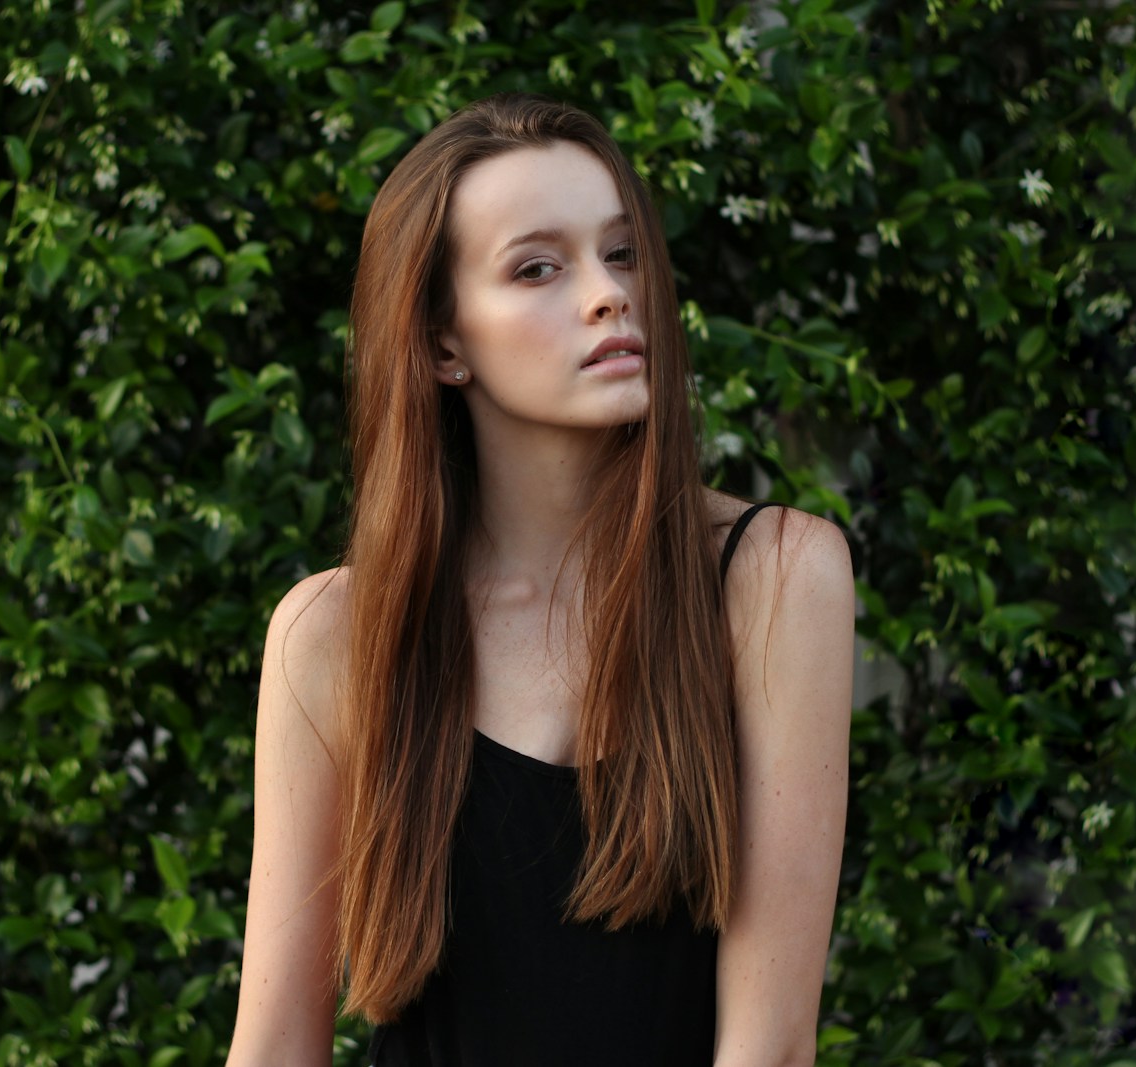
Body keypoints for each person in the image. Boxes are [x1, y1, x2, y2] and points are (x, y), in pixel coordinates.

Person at [224, 93, 853, 1067]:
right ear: (442, 342)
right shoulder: (335, 632)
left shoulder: (773, 578)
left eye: (621, 253)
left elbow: (769, 1046)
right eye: (537, 267)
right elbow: (272, 1049)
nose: (607, 294)